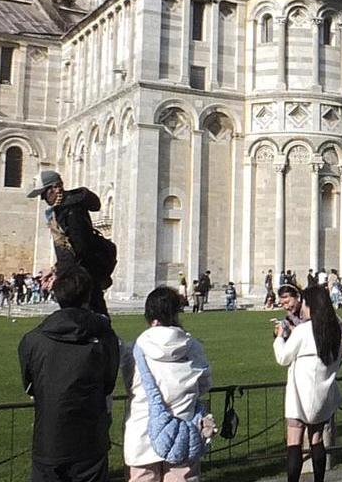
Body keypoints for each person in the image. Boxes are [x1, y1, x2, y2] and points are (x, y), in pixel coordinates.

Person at [19, 265, 120, 482]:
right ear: (88, 296)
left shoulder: (33, 339)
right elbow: (109, 383)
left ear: (55, 295)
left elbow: (30, 385)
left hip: (49, 437)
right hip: (91, 437)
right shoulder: (105, 336)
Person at [123, 286, 214, 481]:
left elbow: (129, 384)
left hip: (142, 433)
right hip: (182, 433)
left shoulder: (134, 349)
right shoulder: (192, 347)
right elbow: (205, 384)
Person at [274, 286, 342, 482]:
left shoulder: (303, 330)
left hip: (301, 394)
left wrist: (279, 337)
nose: (303, 307)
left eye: (305, 303)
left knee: (294, 442)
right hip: (322, 394)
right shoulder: (334, 331)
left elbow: (282, 357)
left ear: (311, 304)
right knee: (317, 440)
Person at [27, 170, 114, 315]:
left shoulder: (72, 210)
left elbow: (79, 249)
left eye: (44, 193)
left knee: (88, 317)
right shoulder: (62, 209)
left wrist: (58, 273)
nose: (43, 199)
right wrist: (55, 270)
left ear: (55, 188)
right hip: (77, 277)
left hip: (82, 279)